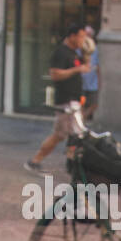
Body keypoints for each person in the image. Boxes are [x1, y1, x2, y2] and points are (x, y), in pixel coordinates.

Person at [24, 23, 91, 171]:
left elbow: (82, 71)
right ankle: (73, 166)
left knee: (62, 135)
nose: (83, 40)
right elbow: (55, 74)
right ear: (72, 36)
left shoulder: (75, 53)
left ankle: (36, 161)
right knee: (76, 135)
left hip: (73, 101)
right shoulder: (61, 52)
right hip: (66, 102)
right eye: (81, 37)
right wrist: (77, 69)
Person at [81, 24, 100, 123]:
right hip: (82, 83)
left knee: (94, 104)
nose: (87, 37)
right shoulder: (79, 48)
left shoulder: (95, 49)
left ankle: (81, 119)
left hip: (92, 83)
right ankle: (81, 123)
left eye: (89, 35)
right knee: (82, 104)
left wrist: (100, 82)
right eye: (86, 34)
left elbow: (98, 66)